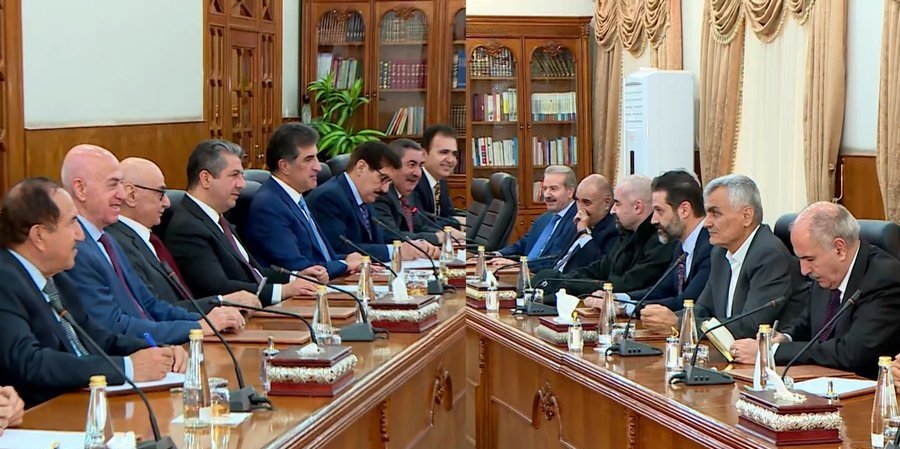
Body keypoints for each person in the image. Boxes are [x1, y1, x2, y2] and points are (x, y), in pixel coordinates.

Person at [0, 178, 184, 407]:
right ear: (39, 236)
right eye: (72, 222)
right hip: (45, 414)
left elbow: (98, 338)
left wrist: (157, 351)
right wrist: (127, 368)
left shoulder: (59, 278)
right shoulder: (5, 281)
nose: (80, 235)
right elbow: (30, 362)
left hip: (87, 403)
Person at [58, 145, 245, 346]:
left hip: (158, 346)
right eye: (112, 185)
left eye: (121, 184)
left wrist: (206, 320)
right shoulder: (76, 249)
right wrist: (197, 327)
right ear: (81, 189)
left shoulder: (106, 239)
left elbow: (151, 305)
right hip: (135, 354)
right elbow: (114, 326)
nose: (121, 194)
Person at [731, 203, 900, 379]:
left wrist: (773, 352)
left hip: (865, 389)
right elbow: (808, 325)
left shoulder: (884, 278)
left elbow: (851, 352)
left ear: (839, 249)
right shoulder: (827, 273)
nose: (804, 270)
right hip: (820, 381)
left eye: (809, 259)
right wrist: (785, 338)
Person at [641, 174, 807, 339]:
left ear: (746, 216)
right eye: (707, 213)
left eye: (715, 213)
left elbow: (749, 326)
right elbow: (703, 309)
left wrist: (679, 324)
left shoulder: (769, 255)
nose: (706, 223)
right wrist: (666, 319)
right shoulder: (720, 252)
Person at [164, 140, 319, 304]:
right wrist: (284, 290)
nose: (242, 184)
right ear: (206, 179)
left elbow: (253, 272)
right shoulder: (188, 228)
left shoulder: (218, 218)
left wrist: (296, 277)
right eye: (234, 175)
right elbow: (218, 289)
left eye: (241, 175)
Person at [107, 157, 262, 314]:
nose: (167, 203)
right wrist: (222, 302)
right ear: (132, 195)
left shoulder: (147, 238)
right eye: (160, 193)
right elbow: (154, 311)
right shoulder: (118, 245)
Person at [244, 123, 364, 279]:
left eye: (316, 157)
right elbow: (297, 267)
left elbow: (319, 256)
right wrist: (344, 265)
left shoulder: (295, 197)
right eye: (309, 159)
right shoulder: (269, 206)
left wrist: (347, 260)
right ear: (285, 166)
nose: (318, 167)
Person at [538, 175, 675, 302]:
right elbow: (602, 267)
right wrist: (562, 280)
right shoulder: (628, 232)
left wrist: (569, 285)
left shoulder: (660, 239)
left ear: (637, 207)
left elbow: (628, 284)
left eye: (617, 204)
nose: (612, 210)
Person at [603, 170, 712, 316]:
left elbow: (686, 303)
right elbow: (661, 290)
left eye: (659, 211)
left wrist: (625, 308)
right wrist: (616, 298)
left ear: (684, 210)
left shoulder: (710, 247)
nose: (653, 220)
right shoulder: (680, 246)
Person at [307, 141, 435, 262]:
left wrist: (414, 245)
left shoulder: (365, 196)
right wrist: (395, 251)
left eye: (389, 181)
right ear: (361, 167)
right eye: (383, 178)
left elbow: (380, 239)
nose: (385, 189)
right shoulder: (329, 197)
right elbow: (339, 250)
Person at [374, 138, 464, 246]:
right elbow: (391, 236)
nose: (418, 173)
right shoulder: (381, 194)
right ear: (392, 166)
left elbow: (420, 226)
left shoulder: (408, 194)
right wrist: (437, 237)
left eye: (420, 166)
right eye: (411, 165)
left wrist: (447, 234)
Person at [490, 165, 579, 272]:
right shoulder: (543, 219)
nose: (546, 195)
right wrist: (496, 255)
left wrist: (520, 265)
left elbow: (555, 261)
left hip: (542, 277)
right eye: (545, 189)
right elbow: (523, 244)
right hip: (522, 273)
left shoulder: (576, 221)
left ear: (570, 192)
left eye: (553, 189)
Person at [551, 174, 617, 274]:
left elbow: (600, 267)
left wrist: (584, 234)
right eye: (578, 201)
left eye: (586, 203)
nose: (580, 209)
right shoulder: (578, 222)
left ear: (606, 203)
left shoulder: (614, 230)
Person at [411, 124, 461, 226]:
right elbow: (422, 224)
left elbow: (449, 214)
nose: (451, 160)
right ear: (424, 154)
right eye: (444, 152)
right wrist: (456, 223)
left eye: (454, 154)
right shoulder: (414, 181)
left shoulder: (440, 181)